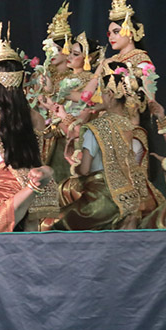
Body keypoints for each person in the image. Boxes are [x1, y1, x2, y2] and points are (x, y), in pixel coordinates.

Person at [0, 25, 55, 232]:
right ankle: (35, 186)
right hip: (42, 187)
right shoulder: (36, 116)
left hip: (7, 191)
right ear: (22, 80)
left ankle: (30, 189)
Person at [53, 63, 142, 231]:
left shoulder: (97, 127)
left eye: (101, 94)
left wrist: (74, 166)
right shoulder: (131, 127)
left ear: (109, 94)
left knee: (51, 222)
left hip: (102, 200)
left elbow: (85, 170)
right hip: (130, 200)